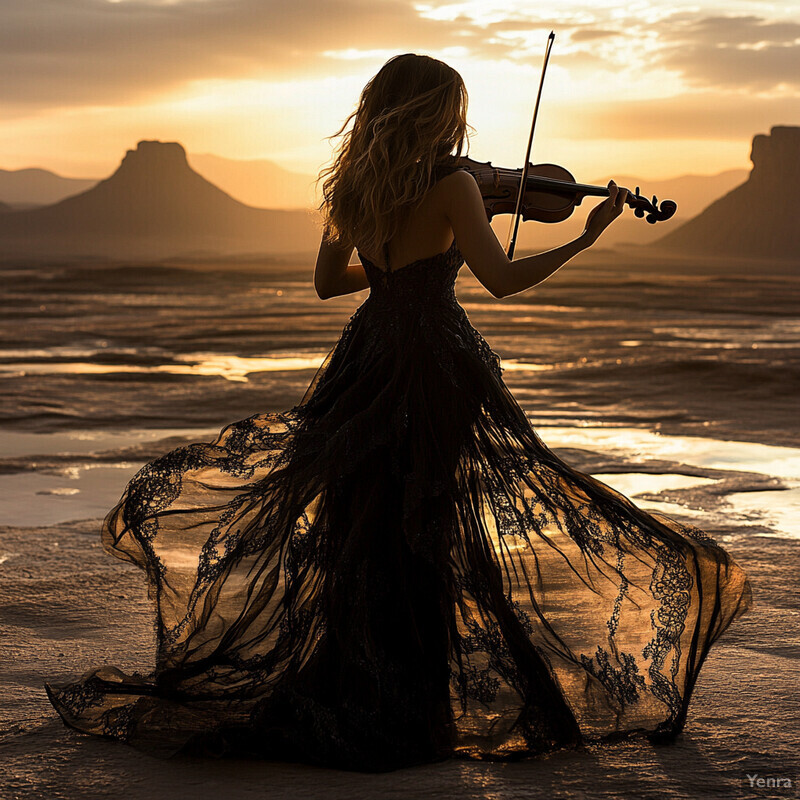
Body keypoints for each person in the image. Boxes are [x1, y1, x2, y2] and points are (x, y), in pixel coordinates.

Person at [45, 53, 752, 773]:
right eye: (452, 109)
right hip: (437, 365)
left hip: (367, 358)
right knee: (426, 526)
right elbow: (502, 281)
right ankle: (410, 708)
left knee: (368, 525)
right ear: (435, 113)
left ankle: (356, 686)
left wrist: (396, 274)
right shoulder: (451, 185)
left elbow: (328, 284)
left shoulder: (352, 184)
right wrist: (585, 236)